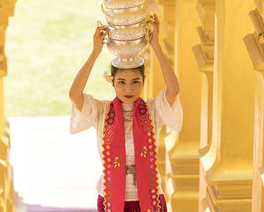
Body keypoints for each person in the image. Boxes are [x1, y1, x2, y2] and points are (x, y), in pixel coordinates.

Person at [69, 14, 183, 212]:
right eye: (121, 82)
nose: (128, 89)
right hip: (111, 198)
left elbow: (173, 89)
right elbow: (74, 94)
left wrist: (156, 46)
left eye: (135, 82)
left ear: (143, 81)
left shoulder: (153, 110)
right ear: (112, 82)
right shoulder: (101, 112)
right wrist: (95, 52)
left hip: (150, 198)